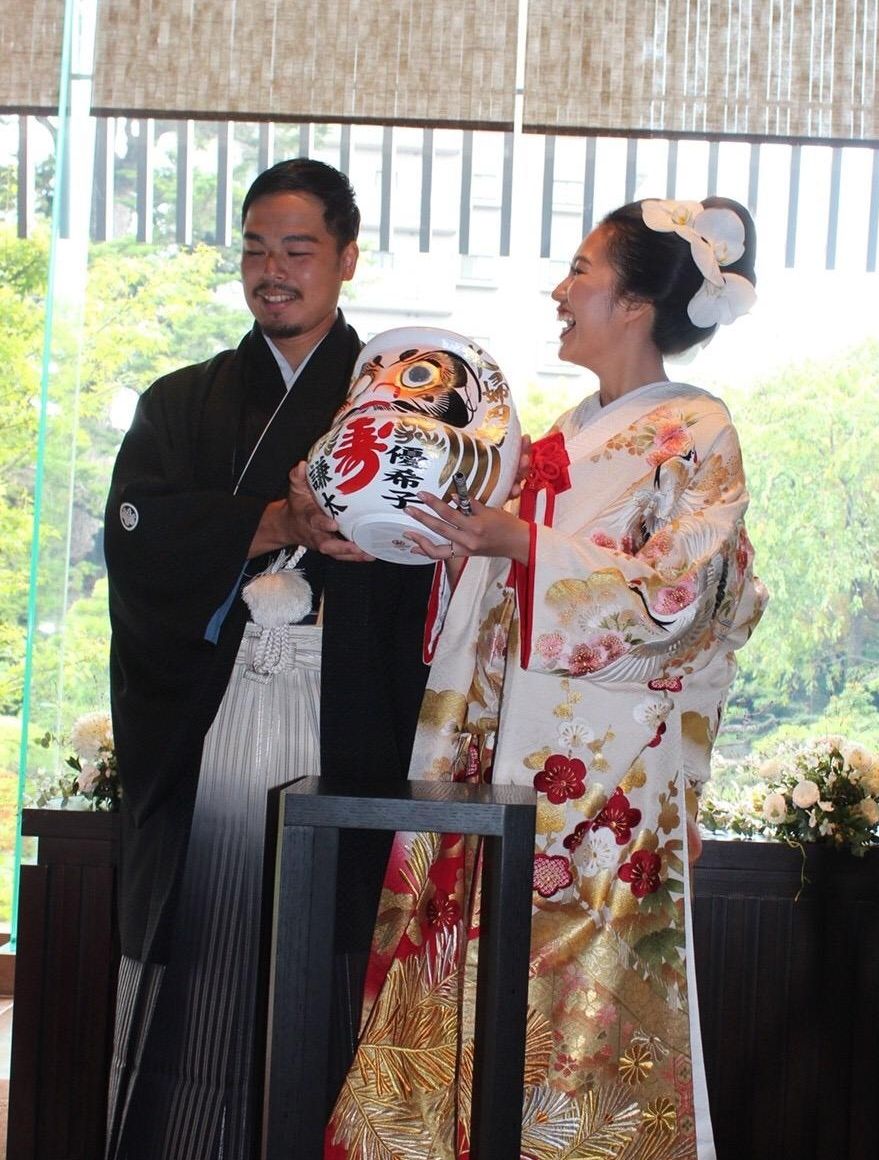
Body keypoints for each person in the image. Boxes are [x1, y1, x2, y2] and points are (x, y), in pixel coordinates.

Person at [324, 196, 767, 1158]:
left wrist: (523, 542)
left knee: (585, 1001)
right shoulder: (567, 431)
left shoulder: (696, 429)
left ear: (636, 303)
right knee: (474, 971)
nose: (559, 290)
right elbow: (498, 587)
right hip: (505, 747)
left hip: (609, 771)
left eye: (580, 271)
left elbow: (681, 598)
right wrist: (446, 538)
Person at [103, 158, 433, 1160]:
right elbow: (138, 537)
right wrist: (279, 521)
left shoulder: (405, 412)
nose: (272, 271)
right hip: (211, 729)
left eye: (298, 249)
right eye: (255, 249)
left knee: (327, 967)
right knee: (200, 967)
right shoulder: (180, 402)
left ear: (347, 259)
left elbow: (443, 569)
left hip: (345, 728)